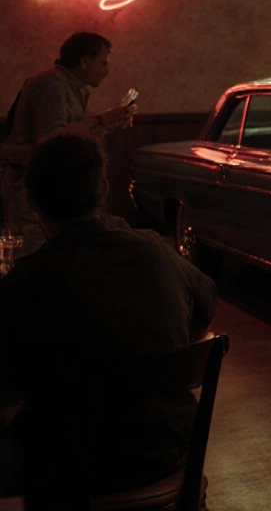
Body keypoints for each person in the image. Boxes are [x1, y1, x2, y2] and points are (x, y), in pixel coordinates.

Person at [0, 133, 217, 504]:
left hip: (68, 471)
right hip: (167, 453)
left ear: (30, 200)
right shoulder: (157, 252)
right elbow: (206, 307)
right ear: (103, 188)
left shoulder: (26, 282)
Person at [1, 32, 136, 255]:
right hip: (30, 181)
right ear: (84, 62)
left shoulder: (71, 87)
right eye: (103, 63)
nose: (106, 70)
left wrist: (108, 124)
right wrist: (101, 119)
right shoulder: (51, 84)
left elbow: (71, 137)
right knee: (32, 251)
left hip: (54, 182)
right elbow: (51, 139)